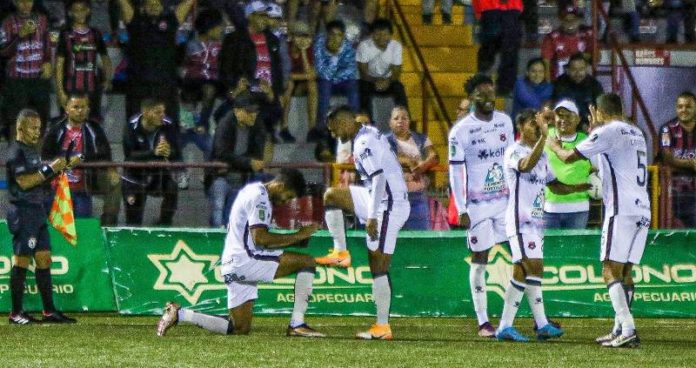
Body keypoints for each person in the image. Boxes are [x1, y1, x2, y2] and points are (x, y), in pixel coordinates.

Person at [156, 169, 325, 338]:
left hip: (232, 264)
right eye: (287, 196)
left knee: (239, 328)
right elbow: (260, 238)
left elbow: (254, 235)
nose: (285, 201)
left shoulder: (252, 191)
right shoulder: (260, 198)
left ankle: (180, 313)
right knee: (307, 262)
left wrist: (294, 238)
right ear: (280, 186)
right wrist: (299, 235)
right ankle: (297, 324)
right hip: (246, 260)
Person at [547, 93, 651, 348]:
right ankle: (619, 327)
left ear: (600, 112)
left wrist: (551, 142)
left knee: (608, 270)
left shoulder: (609, 131)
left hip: (621, 210)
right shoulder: (635, 132)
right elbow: (608, 157)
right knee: (625, 272)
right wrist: (596, 130)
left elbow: (566, 156)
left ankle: (628, 329)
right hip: (642, 209)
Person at [316, 105, 410, 340]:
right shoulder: (365, 131)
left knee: (378, 265)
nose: (334, 134)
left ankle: (382, 326)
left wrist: (371, 216)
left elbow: (379, 177)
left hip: (389, 204)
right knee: (331, 196)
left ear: (346, 122)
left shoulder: (362, 142)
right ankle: (340, 251)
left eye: (335, 128)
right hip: (375, 197)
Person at [496, 109, 587, 342]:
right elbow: (525, 166)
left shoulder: (544, 157)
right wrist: (545, 138)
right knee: (533, 267)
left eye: (540, 124)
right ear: (521, 128)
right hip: (519, 221)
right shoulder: (513, 152)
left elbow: (554, 185)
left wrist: (578, 188)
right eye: (532, 124)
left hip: (536, 223)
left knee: (524, 271)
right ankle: (534, 324)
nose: (538, 127)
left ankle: (520, 325)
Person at [448, 74, 514, 337]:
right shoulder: (461, 131)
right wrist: (462, 208)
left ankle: (537, 316)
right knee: (480, 259)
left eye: (491, 93)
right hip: (477, 206)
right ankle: (483, 321)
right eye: (481, 94)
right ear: (471, 97)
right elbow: (455, 172)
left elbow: (512, 159)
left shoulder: (505, 121)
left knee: (523, 255)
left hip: (505, 202)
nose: (488, 98)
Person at [6, 109, 79, 324]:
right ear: (20, 128)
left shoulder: (32, 150)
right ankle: (16, 313)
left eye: (39, 128)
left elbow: (39, 179)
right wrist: (49, 169)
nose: (37, 133)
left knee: (44, 258)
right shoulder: (15, 151)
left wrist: (61, 166)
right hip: (23, 211)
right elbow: (24, 182)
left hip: (37, 210)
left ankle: (49, 311)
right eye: (32, 128)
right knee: (21, 260)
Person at [42, 94, 121, 226]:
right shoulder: (55, 129)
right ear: (66, 109)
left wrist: (111, 170)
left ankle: (108, 225)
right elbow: (45, 157)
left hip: (87, 181)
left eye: (83, 107)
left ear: (88, 109)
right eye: (76, 107)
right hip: (59, 184)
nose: (80, 111)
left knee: (114, 183)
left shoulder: (95, 128)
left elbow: (105, 154)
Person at [117, 0, 195, 125]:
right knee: (136, 122)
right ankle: (136, 144)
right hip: (139, 84)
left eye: (157, 4)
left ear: (162, 7)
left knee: (167, 123)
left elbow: (188, 3)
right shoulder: (135, 21)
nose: (154, 7)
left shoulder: (170, 21)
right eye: (150, 4)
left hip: (165, 83)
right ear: (143, 8)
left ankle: (168, 144)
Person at [219, 1, 286, 142]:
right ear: (250, 16)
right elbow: (225, 69)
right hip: (245, 91)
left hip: (266, 93)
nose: (265, 19)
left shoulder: (272, 40)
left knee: (272, 111)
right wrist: (235, 88)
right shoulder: (234, 39)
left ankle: (266, 136)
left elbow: (277, 70)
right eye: (261, 15)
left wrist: (275, 92)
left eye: (266, 16)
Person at [206, 92, 268, 228]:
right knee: (218, 208)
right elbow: (221, 153)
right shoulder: (225, 124)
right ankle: (215, 238)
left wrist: (249, 163)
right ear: (237, 111)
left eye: (255, 111)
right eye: (249, 111)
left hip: (242, 177)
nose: (253, 115)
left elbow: (257, 155)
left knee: (233, 215)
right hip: (221, 176)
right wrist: (247, 163)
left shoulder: (257, 126)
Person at [122, 98, 182, 226]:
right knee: (134, 223)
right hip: (135, 176)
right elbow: (129, 155)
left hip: (159, 173)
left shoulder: (168, 124)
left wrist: (168, 152)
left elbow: (176, 151)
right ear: (145, 112)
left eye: (163, 112)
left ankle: (164, 225)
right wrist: (153, 152)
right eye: (157, 112)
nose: (162, 116)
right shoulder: (131, 125)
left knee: (172, 187)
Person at [0, 0, 52, 140]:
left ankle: (37, 159)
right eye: (21, 1)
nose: (25, 5)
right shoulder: (7, 23)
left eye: (28, 1)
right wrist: (19, 36)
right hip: (16, 81)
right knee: (15, 121)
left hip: (38, 79)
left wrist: (48, 61)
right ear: (14, 2)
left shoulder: (42, 20)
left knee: (40, 121)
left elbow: (47, 44)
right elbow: (3, 52)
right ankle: (14, 158)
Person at [55, 0, 113, 120]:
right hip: (70, 88)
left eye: (83, 10)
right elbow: (59, 64)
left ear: (88, 11)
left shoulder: (95, 34)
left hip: (92, 89)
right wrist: (60, 91)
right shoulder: (66, 34)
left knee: (91, 123)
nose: (80, 14)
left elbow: (105, 58)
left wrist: (108, 79)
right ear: (71, 13)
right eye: (76, 11)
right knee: (69, 124)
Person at [386, 106, 439, 230]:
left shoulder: (421, 138)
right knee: (394, 239)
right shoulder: (384, 140)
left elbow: (434, 156)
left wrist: (421, 167)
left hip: (418, 196)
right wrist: (409, 162)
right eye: (396, 118)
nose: (400, 121)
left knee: (422, 237)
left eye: (404, 118)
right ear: (390, 122)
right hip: (394, 198)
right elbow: (386, 158)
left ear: (409, 121)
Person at [543, 100, 594, 229]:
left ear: (578, 119)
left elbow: (597, 166)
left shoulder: (586, 140)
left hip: (578, 208)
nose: (563, 120)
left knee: (574, 249)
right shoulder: (545, 136)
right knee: (549, 249)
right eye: (560, 116)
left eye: (568, 116)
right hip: (549, 208)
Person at [311, 19, 359, 141]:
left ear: (343, 36)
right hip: (326, 80)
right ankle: (321, 127)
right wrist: (334, 56)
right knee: (325, 85)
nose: (335, 38)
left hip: (342, 80)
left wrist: (334, 76)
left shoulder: (348, 47)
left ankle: (353, 124)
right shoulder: (319, 45)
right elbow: (321, 72)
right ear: (327, 34)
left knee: (353, 86)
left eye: (339, 35)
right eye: (332, 34)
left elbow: (351, 70)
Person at [357, 18, 408, 121]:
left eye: (385, 34)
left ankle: (404, 123)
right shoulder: (364, 46)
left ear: (390, 35)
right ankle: (367, 124)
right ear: (371, 35)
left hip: (388, 81)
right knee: (362, 89)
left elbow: (396, 73)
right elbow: (363, 73)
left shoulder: (396, 46)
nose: (381, 38)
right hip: (369, 81)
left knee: (399, 88)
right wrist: (376, 81)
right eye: (377, 34)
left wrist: (387, 82)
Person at [658, 91, 696, 227]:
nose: (683, 110)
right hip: (674, 192)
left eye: (688, 106)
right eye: (680, 107)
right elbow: (667, 158)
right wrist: (691, 164)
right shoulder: (667, 129)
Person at [473, 0, 523, 96]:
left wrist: (478, 11)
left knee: (508, 52)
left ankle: (502, 87)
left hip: (498, 8)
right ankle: (488, 84)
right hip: (493, 8)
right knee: (492, 49)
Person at [282, 22, 318, 140]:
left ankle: (312, 128)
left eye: (305, 36)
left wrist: (303, 52)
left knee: (312, 85)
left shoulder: (309, 49)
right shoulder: (285, 47)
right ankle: (284, 127)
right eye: (298, 36)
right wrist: (302, 76)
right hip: (284, 85)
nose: (301, 39)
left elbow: (311, 75)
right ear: (292, 37)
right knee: (290, 84)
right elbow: (285, 75)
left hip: (300, 85)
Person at [540, 4, 594, 81]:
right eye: (566, 20)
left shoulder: (587, 34)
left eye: (574, 19)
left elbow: (597, 57)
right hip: (559, 81)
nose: (570, 23)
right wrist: (549, 85)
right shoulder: (551, 37)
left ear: (579, 20)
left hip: (582, 81)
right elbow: (546, 63)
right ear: (561, 21)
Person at [552, 52, 603, 127]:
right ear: (568, 70)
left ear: (586, 69)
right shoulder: (560, 83)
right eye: (574, 69)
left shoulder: (594, 84)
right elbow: (557, 108)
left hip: (589, 125)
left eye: (581, 69)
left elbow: (601, 108)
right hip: (565, 125)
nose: (578, 73)